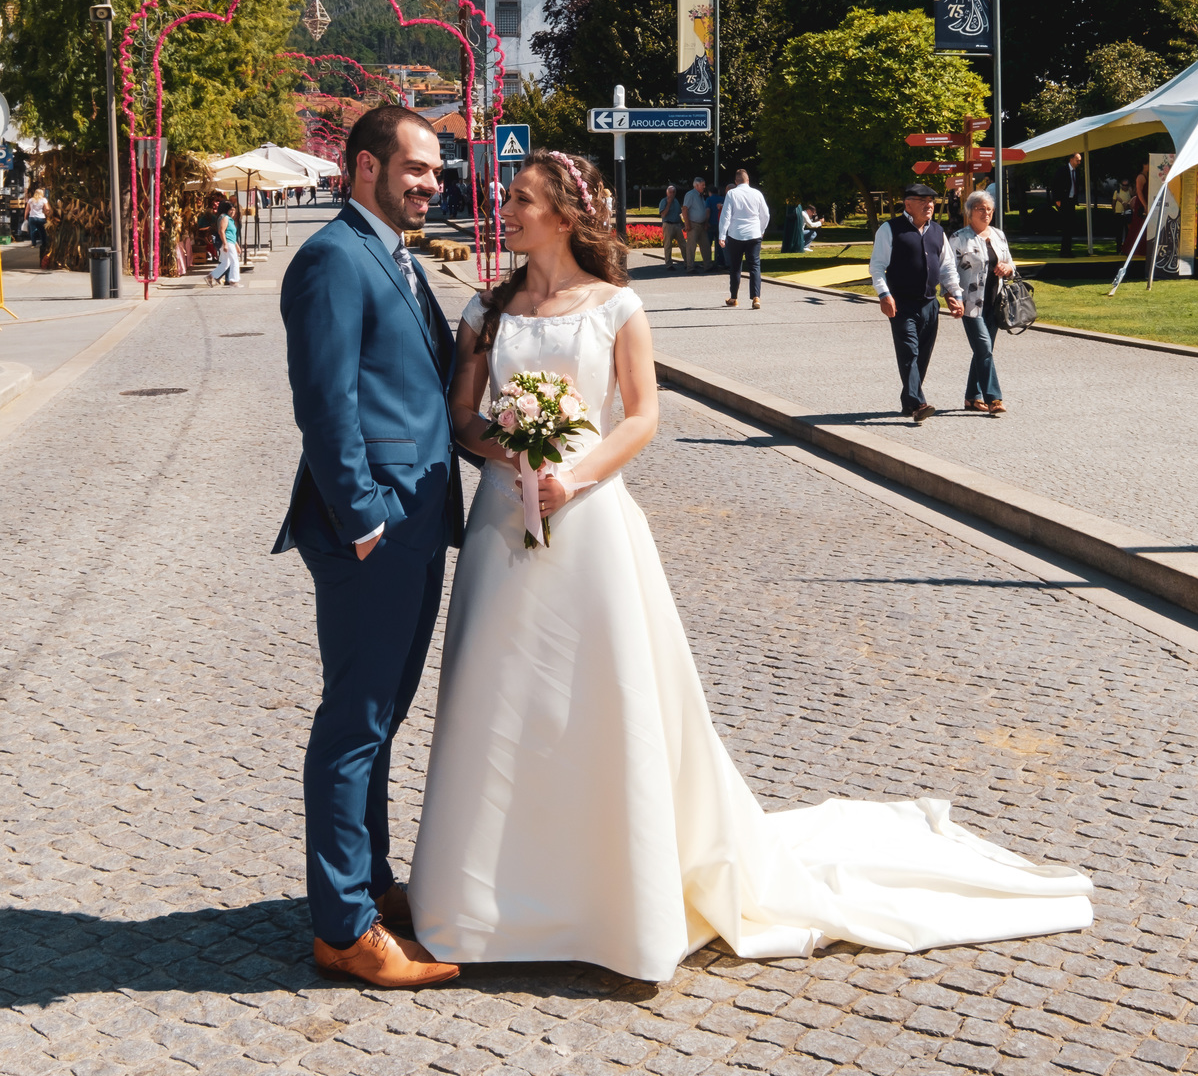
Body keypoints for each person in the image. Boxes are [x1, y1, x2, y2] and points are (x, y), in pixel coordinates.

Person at [405, 146, 1093, 981]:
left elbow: (642, 417)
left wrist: (570, 476)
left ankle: (615, 893)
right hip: (502, 523)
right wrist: (510, 457)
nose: (503, 209)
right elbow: (462, 414)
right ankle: (487, 896)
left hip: (588, 523)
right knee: (498, 695)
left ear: (564, 213)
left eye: (518, 198)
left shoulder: (620, 306)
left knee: (601, 695)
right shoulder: (488, 309)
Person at [275, 105, 463, 989]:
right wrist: (363, 519)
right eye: (416, 168)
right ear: (362, 168)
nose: (432, 181)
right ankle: (344, 929)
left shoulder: (396, 256)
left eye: (435, 170)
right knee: (352, 724)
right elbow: (326, 404)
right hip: (372, 534)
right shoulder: (331, 260)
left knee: (381, 719)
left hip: (418, 526)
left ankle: (370, 883)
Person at [869, 182, 964, 422]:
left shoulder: (937, 232)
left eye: (931, 201)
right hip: (901, 303)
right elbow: (878, 267)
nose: (929, 205)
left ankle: (907, 402)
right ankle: (919, 404)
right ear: (908, 204)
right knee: (909, 353)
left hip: (930, 303)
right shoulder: (890, 230)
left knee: (922, 355)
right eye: (923, 202)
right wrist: (884, 294)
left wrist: (954, 294)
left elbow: (947, 267)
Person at [950, 190, 1015, 416]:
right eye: (981, 209)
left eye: (989, 209)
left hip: (995, 302)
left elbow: (1010, 264)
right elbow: (948, 271)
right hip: (970, 303)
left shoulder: (998, 235)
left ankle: (971, 397)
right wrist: (952, 297)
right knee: (984, 348)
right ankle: (994, 399)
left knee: (983, 350)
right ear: (970, 213)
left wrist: (1007, 268)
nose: (986, 213)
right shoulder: (958, 238)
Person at [719, 167, 770, 308]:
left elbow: (726, 216)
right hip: (754, 234)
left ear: (736, 181)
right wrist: (761, 229)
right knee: (754, 265)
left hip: (736, 234)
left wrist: (722, 235)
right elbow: (765, 214)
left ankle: (734, 298)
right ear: (748, 180)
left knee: (735, 267)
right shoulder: (757, 193)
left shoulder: (732, 194)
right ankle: (756, 297)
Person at [1051, 151, 1083, 257]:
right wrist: (1057, 200)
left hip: (1071, 202)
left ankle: (1067, 251)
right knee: (1065, 226)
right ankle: (1064, 251)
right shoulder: (1062, 170)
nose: (1079, 162)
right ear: (1071, 159)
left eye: (1080, 161)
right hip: (1063, 201)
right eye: (1077, 160)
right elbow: (1055, 185)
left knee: (1070, 226)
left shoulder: (1076, 172)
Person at [204, 200, 241, 287]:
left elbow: (231, 233)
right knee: (234, 261)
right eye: (231, 210)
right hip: (227, 242)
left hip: (230, 242)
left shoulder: (228, 218)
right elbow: (222, 231)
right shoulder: (225, 218)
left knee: (226, 262)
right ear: (226, 209)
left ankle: (211, 276)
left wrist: (236, 245)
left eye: (234, 210)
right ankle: (234, 280)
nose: (233, 212)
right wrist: (225, 244)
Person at [681, 176, 712, 273]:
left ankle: (708, 266)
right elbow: (685, 209)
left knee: (706, 245)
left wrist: (706, 222)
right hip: (693, 224)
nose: (704, 187)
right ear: (697, 185)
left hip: (702, 225)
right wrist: (687, 224)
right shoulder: (690, 195)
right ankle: (690, 267)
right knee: (691, 247)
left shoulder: (701, 195)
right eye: (702, 185)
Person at [658, 184, 684, 271]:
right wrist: (668, 203)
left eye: (673, 192)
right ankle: (669, 264)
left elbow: (679, 214)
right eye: (670, 192)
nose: (672, 194)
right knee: (668, 245)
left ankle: (688, 262)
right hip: (668, 224)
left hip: (677, 225)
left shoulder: (676, 201)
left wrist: (682, 225)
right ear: (667, 193)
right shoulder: (664, 201)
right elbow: (663, 214)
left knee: (683, 244)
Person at [707, 182, 726, 268]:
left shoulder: (709, 199)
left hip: (711, 224)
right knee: (720, 244)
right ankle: (721, 261)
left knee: (708, 243)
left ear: (710, 192)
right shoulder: (722, 199)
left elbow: (708, 211)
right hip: (720, 224)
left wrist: (706, 222)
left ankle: (708, 262)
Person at [24, 186, 49, 254]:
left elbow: (27, 209)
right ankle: (44, 243)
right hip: (41, 217)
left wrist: (25, 216)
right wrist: (47, 215)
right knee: (42, 231)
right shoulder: (44, 200)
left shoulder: (31, 200)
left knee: (32, 230)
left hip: (32, 217)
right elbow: (47, 209)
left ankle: (33, 244)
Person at [1112, 177, 1133, 249]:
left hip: (1127, 213)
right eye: (1123, 185)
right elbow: (1113, 202)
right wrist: (1114, 211)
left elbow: (1132, 202)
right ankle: (1118, 248)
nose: (1125, 187)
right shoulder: (1117, 192)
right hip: (1118, 213)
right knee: (1119, 232)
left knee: (1128, 231)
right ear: (1121, 185)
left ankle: (1126, 248)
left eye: (1126, 185)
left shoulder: (1130, 192)